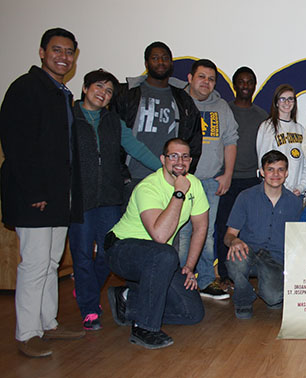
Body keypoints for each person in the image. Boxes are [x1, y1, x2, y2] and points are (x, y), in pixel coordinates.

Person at [0, 27, 85, 358]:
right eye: (56, 50)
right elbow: (16, 145)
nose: (63, 57)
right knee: (34, 264)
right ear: (41, 52)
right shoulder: (25, 89)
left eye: (68, 52)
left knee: (51, 262)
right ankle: (28, 333)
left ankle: (48, 322)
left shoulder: (60, 92)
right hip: (34, 194)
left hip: (57, 195)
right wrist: (34, 190)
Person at [70, 69, 161, 331]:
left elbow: (136, 148)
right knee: (83, 253)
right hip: (80, 199)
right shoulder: (69, 117)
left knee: (109, 252)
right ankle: (89, 308)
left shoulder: (113, 122)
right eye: (99, 87)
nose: (103, 93)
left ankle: (85, 287)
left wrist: (164, 170)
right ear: (86, 88)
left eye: (109, 91)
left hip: (110, 197)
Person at [105, 138, 208, 349]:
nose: (180, 161)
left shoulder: (194, 185)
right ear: (163, 159)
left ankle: (128, 299)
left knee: (192, 313)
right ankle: (144, 328)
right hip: (122, 249)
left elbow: (201, 227)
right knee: (165, 253)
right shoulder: (148, 187)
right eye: (173, 156)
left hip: (158, 260)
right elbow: (160, 235)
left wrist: (189, 266)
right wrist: (178, 193)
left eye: (185, 156)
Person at [177, 59, 238, 300]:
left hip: (211, 181)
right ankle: (182, 280)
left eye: (211, 79)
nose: (206, 82)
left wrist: (228, 174)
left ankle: (204, 280)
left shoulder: (221, 106)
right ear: (190, 78)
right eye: (202, 77)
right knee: (182, 233)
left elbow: (231, 140)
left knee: (207, 233)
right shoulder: (178, 101)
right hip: (182, 180)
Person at [111, 41, 202, 201]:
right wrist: (122, 174)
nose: (161, 62)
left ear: (171, 63)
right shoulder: (127, 94)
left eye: (165, 58)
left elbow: (193, 141)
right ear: (146, 63)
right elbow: (112, 137)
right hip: (133, 179)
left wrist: (182, 174)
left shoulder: (182, 99)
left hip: (168, 181)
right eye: (155, 58)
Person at [224, 150, 303, 319]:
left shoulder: (296, 203)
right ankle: (243, 299)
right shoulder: (245, 197)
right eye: (271, 169)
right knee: (235, 259)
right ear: (262, 172)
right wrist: (234, 241)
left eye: (281, 169)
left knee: (274, 299)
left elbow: (300, 240)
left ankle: (270, 288)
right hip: (248, 253)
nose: (276, 174)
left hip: (276, 259)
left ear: (287, 173)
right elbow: (229, 235)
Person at [215, 66, 268, 287]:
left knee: (249, 228)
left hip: (253, 179)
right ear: (234, 85)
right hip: (227, 179)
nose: (245, 86)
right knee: (223, 226)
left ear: (254, 86)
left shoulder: (262, 116)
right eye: (241, 82)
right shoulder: (224, 111)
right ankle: (226, 274)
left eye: (250, 82)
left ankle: (246, 271)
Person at [256, 84, 306, 196]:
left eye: (290, 99)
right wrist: (281, 188)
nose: (287, 102)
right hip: (276, 192)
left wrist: (301, 188)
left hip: (297, 193)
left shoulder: (300, 129)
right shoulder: (268, 127)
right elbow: (264, 163)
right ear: (276, 102)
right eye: (282, 99)